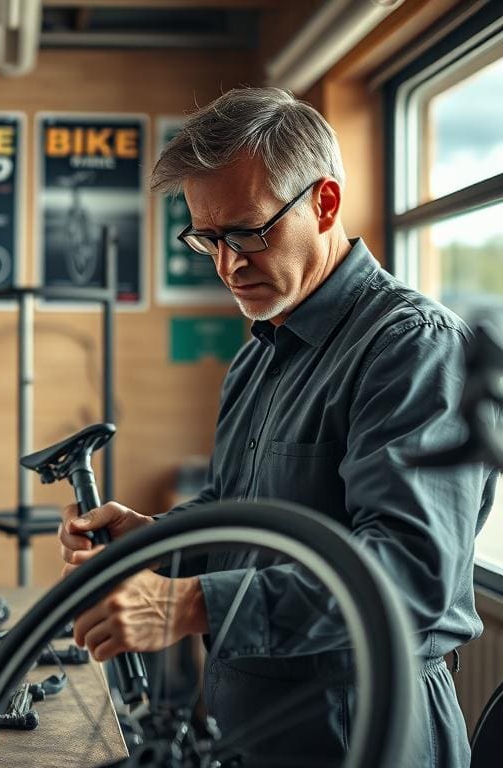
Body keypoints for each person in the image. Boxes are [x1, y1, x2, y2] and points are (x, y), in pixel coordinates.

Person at [58, 87, 498, 767]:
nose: (229, 265)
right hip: (255, 729)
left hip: (366, 726)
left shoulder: (412, 347)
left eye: (248, 232)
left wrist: (192, 603)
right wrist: (155, 541)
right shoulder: (261, 351)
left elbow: (411, 578)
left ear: (325, 203)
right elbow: (244, 518)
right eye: (208, 239)